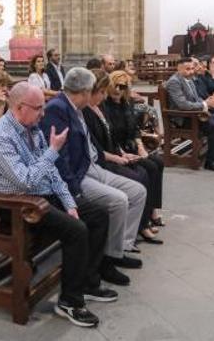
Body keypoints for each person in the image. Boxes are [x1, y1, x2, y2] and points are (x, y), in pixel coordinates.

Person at [0, 82, 116, 328]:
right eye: (38, 108)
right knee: (76, 231)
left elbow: (52, 173)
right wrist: (53, 150)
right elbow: (25, 180)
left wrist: (69, 202)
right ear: (20, 107)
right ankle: (69, 302)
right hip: (17, 206)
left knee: (97, 214)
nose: (43, 114)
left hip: (41, 197)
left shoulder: (32, 127)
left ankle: (87, 281)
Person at [39, 68, 146, 286]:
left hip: (91, 167)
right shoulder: (57, 109)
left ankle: (118, 249)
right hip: (77, 176)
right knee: (118, 200)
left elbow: (89, 143)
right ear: (86, 91)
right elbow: (60, 157)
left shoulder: (76, 108)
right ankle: (107, 260)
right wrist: (74, 189)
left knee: (137, 191)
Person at [84, 71, 162, 245]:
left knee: (153, 165)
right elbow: (96, 147)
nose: (117, 90)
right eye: (113, 87)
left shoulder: (118, 105)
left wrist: (129, 150)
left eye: (123, 87)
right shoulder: (93, 110)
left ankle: (145, 220)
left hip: (119, 151)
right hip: (104, 161)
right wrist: (118, 157)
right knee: (141, 174)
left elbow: (121, 133)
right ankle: (135, 230)